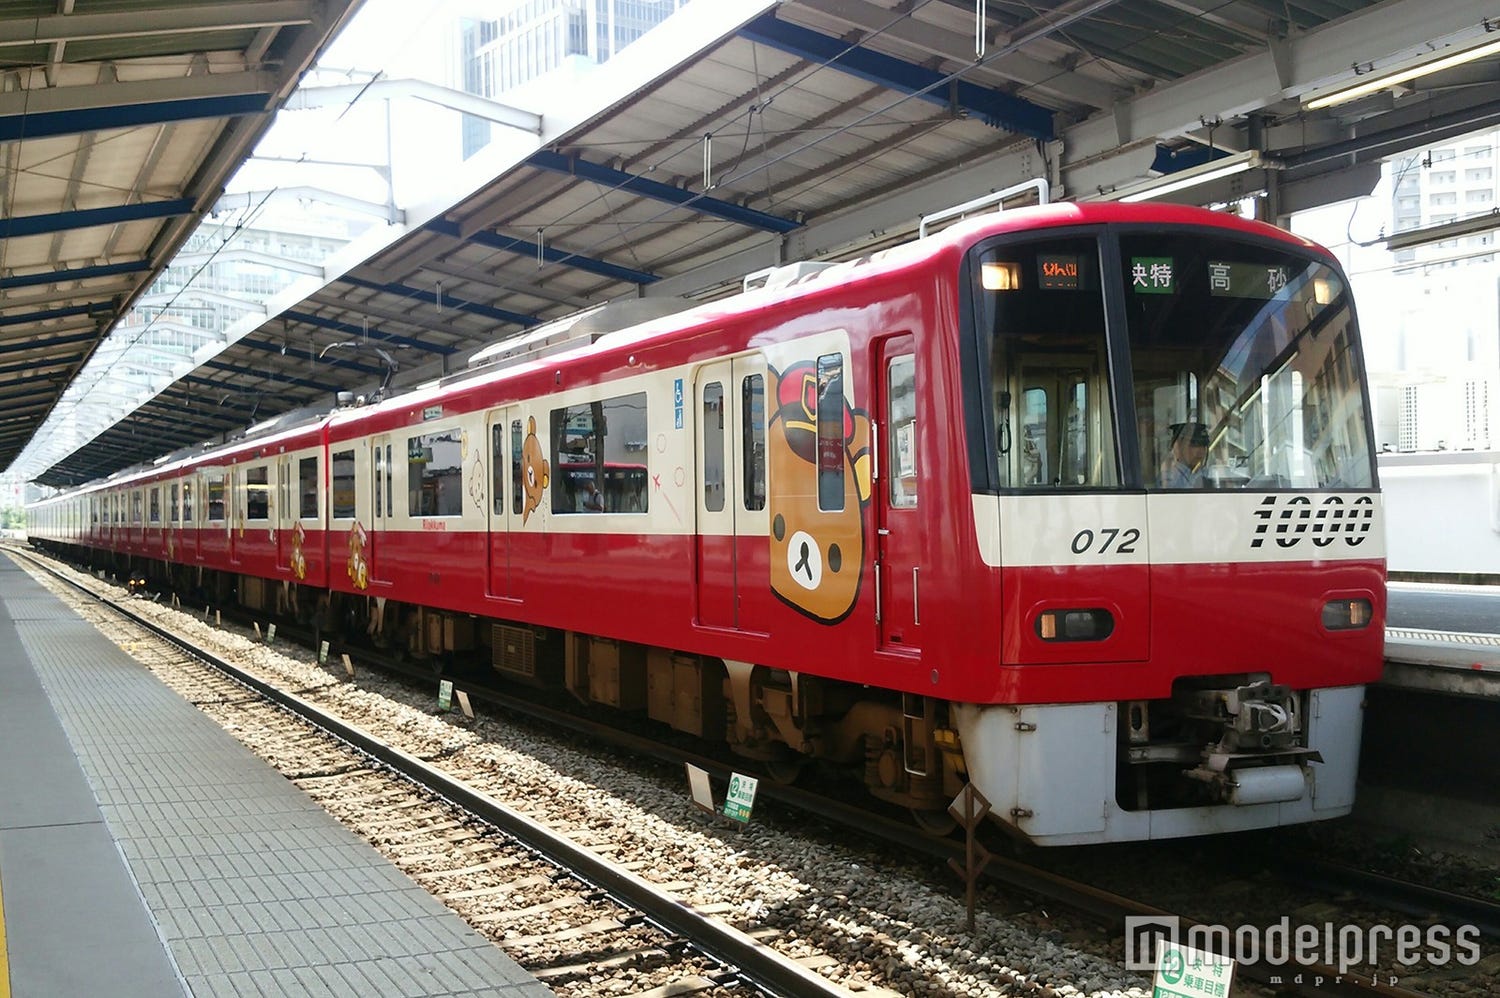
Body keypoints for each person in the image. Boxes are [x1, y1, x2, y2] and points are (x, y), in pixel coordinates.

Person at [1162, 421, 1209, 488]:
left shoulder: (1205, 473)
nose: (1200, 450)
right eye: (1193, 444)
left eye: (1204, 445)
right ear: (1177, 446)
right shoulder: (1169, 477)